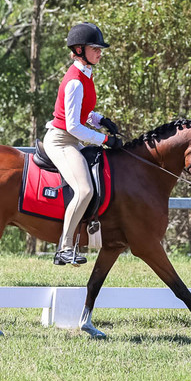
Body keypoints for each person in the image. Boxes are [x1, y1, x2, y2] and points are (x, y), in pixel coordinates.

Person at [43, 22, 122, 266]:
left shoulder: (85, 75)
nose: (100, 52)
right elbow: (73, 126)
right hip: (61, 141)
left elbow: (82, 113)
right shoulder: (76, 81)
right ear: (79, 50)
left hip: (71, 138)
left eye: (100, 48)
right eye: (95, 48)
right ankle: (64, 248)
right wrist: (105, 139)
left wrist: (101, 120)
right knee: (85, 190)